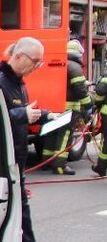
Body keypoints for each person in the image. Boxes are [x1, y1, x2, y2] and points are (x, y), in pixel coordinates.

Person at [0, 37, 60, 242]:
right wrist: (24, 114)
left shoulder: (16, 82)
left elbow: (13, 112)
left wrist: (44, 115)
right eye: (35, 62)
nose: (36, 67)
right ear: (19, 57)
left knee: (19, 206)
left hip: (13, 158)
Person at [39, 39, 91, 175]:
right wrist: (88, 103)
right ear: (78, 54)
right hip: (68, 108)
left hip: (52, 106)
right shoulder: (75, 67)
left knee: (51, 132)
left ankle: (47, 161)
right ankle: (59, 165)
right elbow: (79, 88)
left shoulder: (60, 65)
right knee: (64, 135)